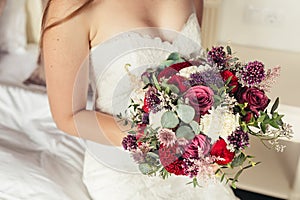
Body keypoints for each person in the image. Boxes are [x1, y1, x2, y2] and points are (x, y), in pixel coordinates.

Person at [42, 0, 239, 199]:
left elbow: (194, 72)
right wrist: (156, 140)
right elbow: (68, 117)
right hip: (124, 164)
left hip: (189, 162)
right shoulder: (69, 7)